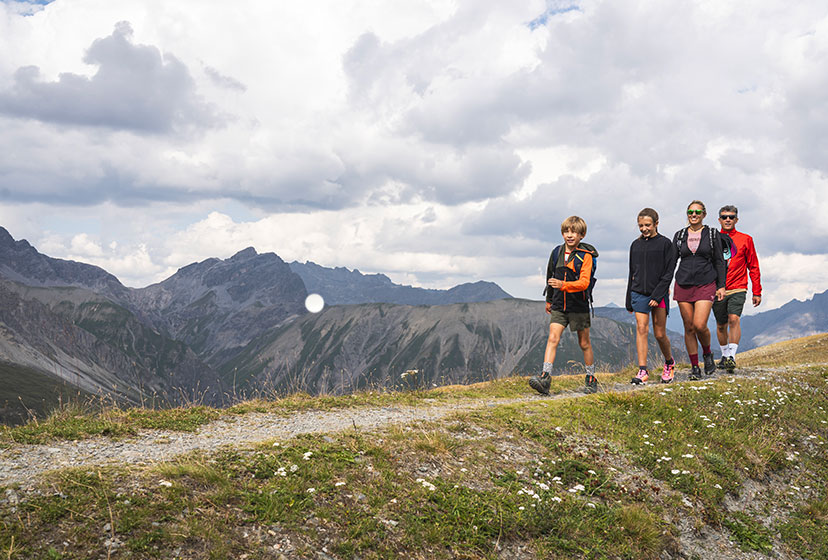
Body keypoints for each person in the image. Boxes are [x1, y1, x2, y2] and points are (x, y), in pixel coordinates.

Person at [529, 216, 599, 395]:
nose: (570, 235)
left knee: (584, 343)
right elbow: (550, 276)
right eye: (567, 231)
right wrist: (550, 299)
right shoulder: (556, 252)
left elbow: (584, 283)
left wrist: (563, 285)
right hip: (559, 304)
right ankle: (545, 377)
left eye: (574, 232)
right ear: (562, 233)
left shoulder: (586, 256)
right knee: (552, 338)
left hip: (578, 305)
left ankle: (591, 378)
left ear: (582, 235)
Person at [672, 200, 726, 380]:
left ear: (704, 214)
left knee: (699, 325)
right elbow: (672, 262)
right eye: (690, 212)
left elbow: (719, 260)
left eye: (697, 212)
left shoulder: (712, 234)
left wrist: (721, 286)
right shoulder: (679, 235)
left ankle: (707, 354)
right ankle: (695, 367)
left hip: (706, 283)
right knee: (688, 328)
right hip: (683, 283)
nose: (693, 215)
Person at [625, 208, 678, 384]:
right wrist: (628, 300)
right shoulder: (635, 245)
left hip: (659, 294)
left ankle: (669, 363)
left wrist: (658, 294)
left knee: (660, 333)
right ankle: (642, 371)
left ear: (656, 223)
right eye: (640, 225)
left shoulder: (665, 244)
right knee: (641, 329)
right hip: (638, 293)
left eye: (647, 225)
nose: (644, 228)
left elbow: (669, 273)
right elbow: (631, 272)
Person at [713, 205, 762, 373]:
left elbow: (753, 266)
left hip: (738, 287)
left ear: (736, 220)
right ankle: (725, 356)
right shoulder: (712, 239)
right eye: (724, 216)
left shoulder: (746, 239)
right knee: (721, 325)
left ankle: (732, 356)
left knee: (734, 319)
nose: (728, 219)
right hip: (717, 288)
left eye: (731, 217)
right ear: (719, 219)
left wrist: (757, 291)